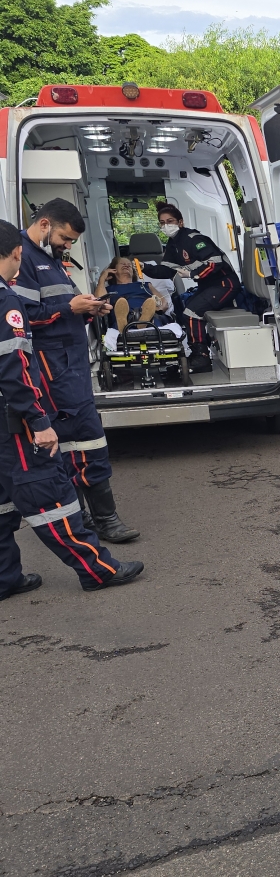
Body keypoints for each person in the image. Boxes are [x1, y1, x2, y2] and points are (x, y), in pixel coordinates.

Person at [0, 219, 143, 598]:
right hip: (10, 418)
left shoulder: (40, 268)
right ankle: (98, 570)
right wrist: (38, 419)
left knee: (1, 502)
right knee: (49, 494)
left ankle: (4, 577)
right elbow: (14, 369)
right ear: (15, 254)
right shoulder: (5, 300)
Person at [141, 203, 238, 375]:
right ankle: (195, 350)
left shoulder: (193, 239)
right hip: (209, 286)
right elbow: (166, 270)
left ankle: (201, 357)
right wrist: (144, 267)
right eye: (162, 223)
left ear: (180, 222)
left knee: (192, 312)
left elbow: (215, 262)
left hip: (225, 284)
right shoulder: (173, 244)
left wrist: (193, 274)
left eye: (169, 221)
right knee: (182, 309)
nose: (166, 226)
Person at [94, 256, 187, 352]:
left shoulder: (146, 285)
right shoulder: (109, 289)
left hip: (150, 313)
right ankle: (128, 323)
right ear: (113, 269)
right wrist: (102, 278)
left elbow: (164, 302)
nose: (126, 266)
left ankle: (139, 321)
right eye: (122, 264)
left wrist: (158, 309)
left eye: (129, 265)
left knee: (149, 307)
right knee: (122, 306)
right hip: (123, 313)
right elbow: (99, 302)